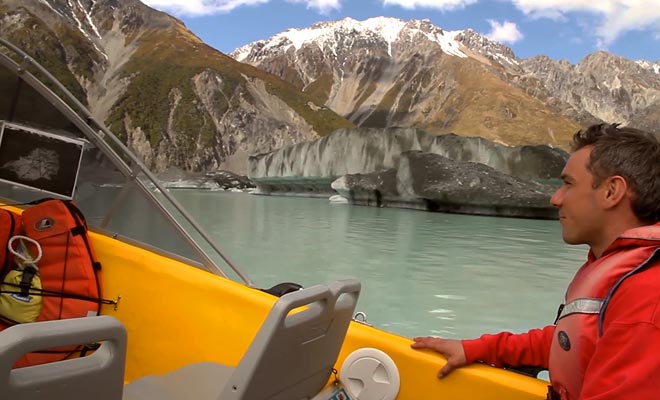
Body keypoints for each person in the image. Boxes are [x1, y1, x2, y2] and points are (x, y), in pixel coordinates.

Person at [411, 123, 660, 400]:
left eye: (568, 184)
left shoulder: (647, 298)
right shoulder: (625, 274)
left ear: (611, 192)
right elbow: (570, 342)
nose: (555, 199)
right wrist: (476, 349)